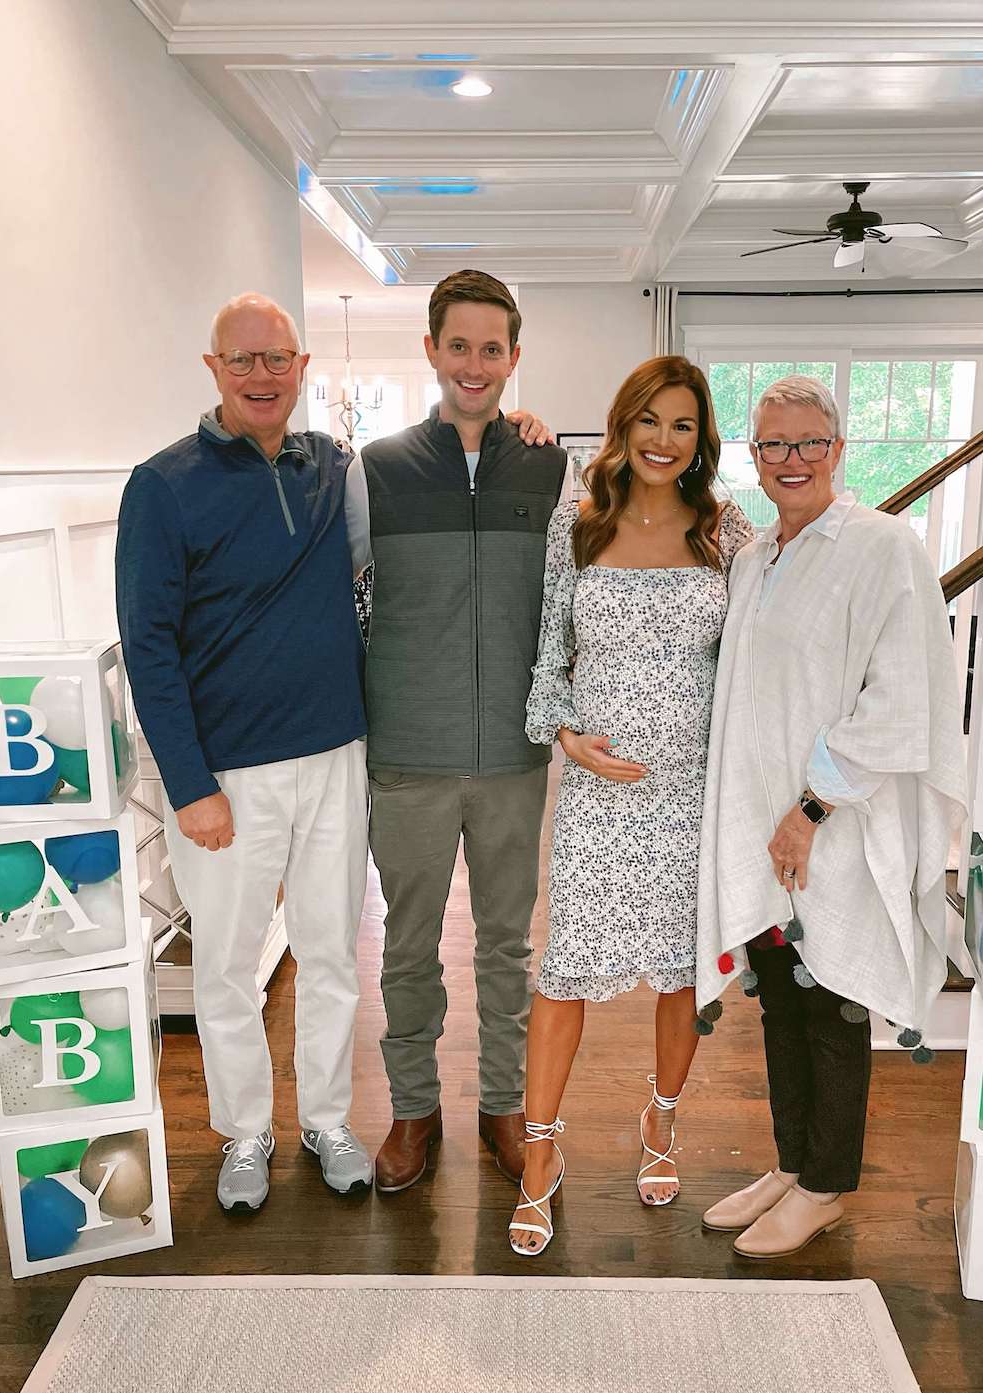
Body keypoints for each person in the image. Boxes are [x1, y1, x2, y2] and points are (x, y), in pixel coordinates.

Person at [696, 374, 968, 1258]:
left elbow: (901, 695)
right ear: (755, 457)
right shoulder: (754, 559)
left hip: (835, 826)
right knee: (780, 999)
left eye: (810, 442)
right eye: (773, 445)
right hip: (763, 829)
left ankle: (825, 1187)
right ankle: (791, 1163)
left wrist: (811, 805)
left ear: (839, 450)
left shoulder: (883, 547)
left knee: (833, 1001)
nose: (792, 460)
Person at [115, 293, 373, 1212]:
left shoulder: (331, 465)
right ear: (213, 368)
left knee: (332, 953)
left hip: (335, 757)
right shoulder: (163, 483)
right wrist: (189, 785)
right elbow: (147, 644)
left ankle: (328, 1120)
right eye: (244, 361)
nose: (263, 376)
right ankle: (247, 1132)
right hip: (224, 776)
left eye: (279, 359)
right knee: (225, 965)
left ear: (303, 367)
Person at [508, 355, 754, 1256]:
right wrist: (568, 737)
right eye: (649, 419)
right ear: (623, 423)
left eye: (682, 424)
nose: (663, 439)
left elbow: (755, 656)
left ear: (701, 439)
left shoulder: (727, 532)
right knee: (562, 969)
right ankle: (541, 1154)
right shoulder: (578, 523)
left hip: (691, 791)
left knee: (678, 975)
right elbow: (549, 658)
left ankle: (660, 1119)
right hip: (596, 799)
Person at [347, 270, 566, 1192]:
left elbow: (575, 601)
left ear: (514, 358)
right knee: (407, 944)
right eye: (459, 345)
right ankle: (412, 1110)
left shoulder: (554, 468)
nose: (475, 364)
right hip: (408, 754)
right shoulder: (377, 469)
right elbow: (337, 597)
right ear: (431, 350)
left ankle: (506, 1108)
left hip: (515, 755)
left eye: (493, 348)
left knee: (510, 944)